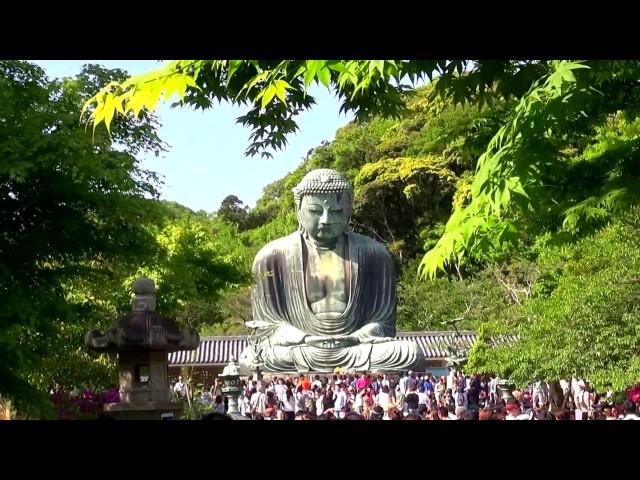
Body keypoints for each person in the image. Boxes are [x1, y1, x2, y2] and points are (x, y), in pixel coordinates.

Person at [239, 169, 424, 373]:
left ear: (349, 210)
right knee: (251, 357)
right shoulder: (272, 256)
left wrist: (354, 338)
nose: (326, 220)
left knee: (408, 352)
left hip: (356, 347)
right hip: (301, 348)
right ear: (298, 209)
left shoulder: (374, 254)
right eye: (316, 211)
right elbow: (267, 327)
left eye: (336, 212)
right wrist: (305, 339)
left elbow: (383, 323)